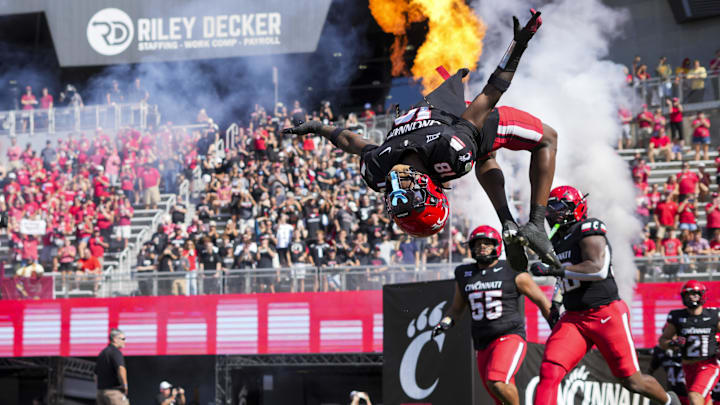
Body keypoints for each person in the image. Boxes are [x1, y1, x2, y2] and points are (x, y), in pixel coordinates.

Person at [284, 10, 561, 271]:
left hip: (445, 121)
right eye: (409, 198)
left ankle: (509, 225)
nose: (397, 192)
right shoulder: (451, 149)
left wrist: (319, 127)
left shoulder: (378, 170)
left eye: (397, 203)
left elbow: (350, 140)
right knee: (545, 139)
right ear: (428, 189)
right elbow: (490, 94)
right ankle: (535, 223)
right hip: (465, 118)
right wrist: (518, 45)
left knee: (483, 155)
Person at [529, 185, 680, 405]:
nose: (553, 214)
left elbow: (597, 269)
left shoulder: (588, 228)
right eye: (551, 209)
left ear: (576, 208)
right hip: (574, 318)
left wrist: (555, 270)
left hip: (605, 314)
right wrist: (556, 302)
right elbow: (565, 279)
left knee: (633, 382)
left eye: (559, 207)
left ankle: (668, 401)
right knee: (550, 369)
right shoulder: (557, 241)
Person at [432, 225, 555, 405]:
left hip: (509, 336)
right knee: (499, 395)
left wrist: (555, 326)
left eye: (487, 244)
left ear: (496, 246)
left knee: (497, 381)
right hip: (482, 344)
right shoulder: (464, 274)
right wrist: (445, 322)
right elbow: (456, 309)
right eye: (478, 244)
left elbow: (542, 301)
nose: (482, 247)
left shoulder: (512, 270)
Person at [658, 281, 720, 405]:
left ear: (702, 295)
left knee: (695, 396)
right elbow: (663, 341)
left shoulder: (713, 315)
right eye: (688, 295)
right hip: (687, 366)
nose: (691, 297)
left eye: (694, 294)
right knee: (704, 400)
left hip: (708, 365)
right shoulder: (677, 316)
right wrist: (673, 343)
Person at [95, 328, 129, 405]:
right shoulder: (116, 352)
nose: (124, 341)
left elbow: (95, 375)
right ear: (115, 339)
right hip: (114, 394)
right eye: (123, 339)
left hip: (101, 393)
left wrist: (101, 388)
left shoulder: (102, 353)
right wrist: (125, 385)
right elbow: (121, 368)